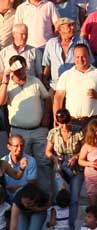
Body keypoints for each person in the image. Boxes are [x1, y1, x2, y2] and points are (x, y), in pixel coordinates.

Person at [0, 55, 52, 192]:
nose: (22, 71)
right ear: (12, 70)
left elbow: (47, 98)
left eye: (23, 68)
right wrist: (5, 81)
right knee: (20, 165)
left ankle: (46, 198)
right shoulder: (8, 85)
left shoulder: (35, 81)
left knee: (44, 164)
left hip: (38, 130)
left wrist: (46, 117)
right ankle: (22, 199)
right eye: (18, 69)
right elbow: (1, 102)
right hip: (18, 132)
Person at [54, 44, 97, 128]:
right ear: (74, 58)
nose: (80, 60)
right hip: (72, 121)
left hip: (94, 122)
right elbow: (58, 97)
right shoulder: (66, 75)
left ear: (89, 56)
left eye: (83, 56)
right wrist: (58, 118)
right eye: (77, 57)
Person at [45, 108, 84, 230]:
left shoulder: (78, 131)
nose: (65, 126)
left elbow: (85, 148)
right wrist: (55, 158)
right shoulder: (53, 133)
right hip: (60, 165)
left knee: (74, 199)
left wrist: (76, 156)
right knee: (60, 197)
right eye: (62, 123)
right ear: (58, 122)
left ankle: (70, 228)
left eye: (67, 122)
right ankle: (58, 227)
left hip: (76, 166)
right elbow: (48, 151)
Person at [42, 17, 93, 93]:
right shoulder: (51, 43)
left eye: (73, 25)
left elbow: (90, 62)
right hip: (56, 86)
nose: (72, 28)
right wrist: (45, 81)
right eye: (69, 25)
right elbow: (47, 65)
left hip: (76, 85)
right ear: (60, 29)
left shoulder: (81, 41)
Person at [2, 134, 37, 200]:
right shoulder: (3, 161)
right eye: (16, 146)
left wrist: (18, 189)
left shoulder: (30, 160)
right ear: (9, 147)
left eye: (22, 145)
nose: (19, 149)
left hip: (25, 198)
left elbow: (32, 184)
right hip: (5, 199)